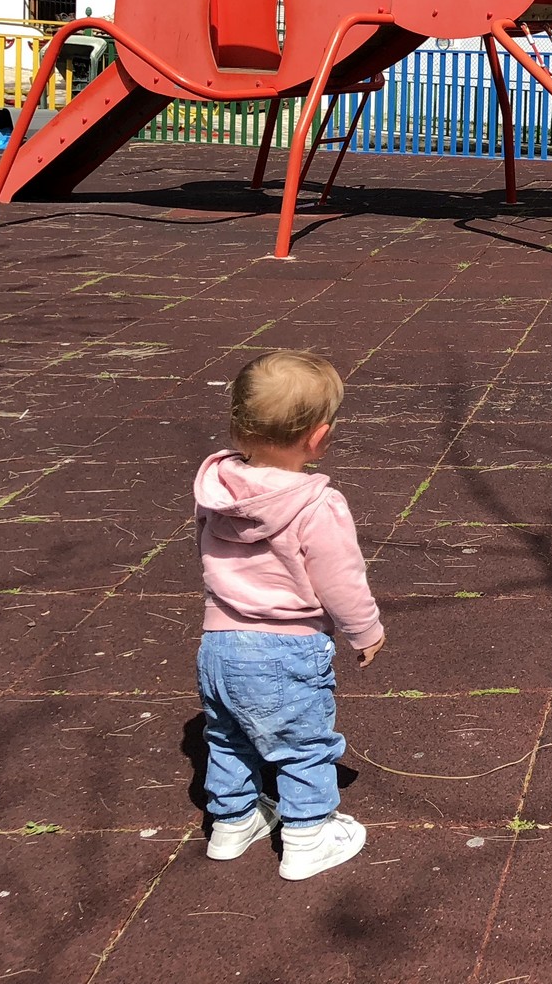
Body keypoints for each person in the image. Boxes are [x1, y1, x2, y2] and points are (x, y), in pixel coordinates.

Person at [193, 350, 384, 880]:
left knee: (227, 736)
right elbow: (340, 579)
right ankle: (308, 834)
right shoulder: (316, 505)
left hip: (219, 642)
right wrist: (365, 630)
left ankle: (232, 823)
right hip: (286, 647)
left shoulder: (218, 491)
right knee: (304, 744)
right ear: (319, 437)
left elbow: (205, 553)